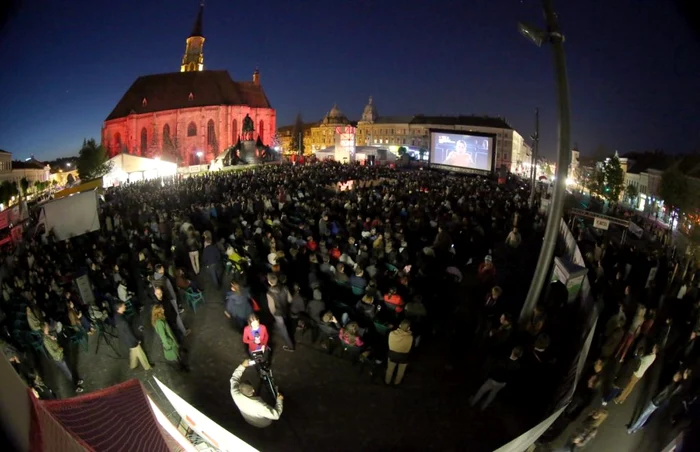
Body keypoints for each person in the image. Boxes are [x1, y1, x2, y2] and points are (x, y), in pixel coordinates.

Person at [627, 368, 691, 434]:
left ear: (678, 378)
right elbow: (682, 386)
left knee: (643, 415)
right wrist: (685, 378)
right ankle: (635, 428)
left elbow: (662, 393)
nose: (675, 374)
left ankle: (632, 428)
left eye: (677, 374)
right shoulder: (676, 388)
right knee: (646, 416)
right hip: (661, 403)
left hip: (656, 401)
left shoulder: (670, 385)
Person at [230, 359, 283, 428]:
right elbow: (276, 416)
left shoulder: (235, 393)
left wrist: (243, 366)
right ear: (253, 391)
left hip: (248, 419)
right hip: (263, 423)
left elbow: (234, 378)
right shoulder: (260, 406)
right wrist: (279, 400)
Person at [470, 346, 522, 410]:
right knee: (491, 396)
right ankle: (483, 407)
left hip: (493, 380)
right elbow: (512, 377)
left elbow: (494, 369)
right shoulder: (517, 366)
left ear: (513, 351)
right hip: (501, 384)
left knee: (481, 391)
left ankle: (472, 403)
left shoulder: (503, 360)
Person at [42, 322, 84, 393]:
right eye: (47, 327)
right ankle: (75, 387)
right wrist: (60, 349)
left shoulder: (47, 335)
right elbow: (53, 353)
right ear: (44, 329)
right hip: (59, 358)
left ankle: (76, 381)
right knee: (69, 374)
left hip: (61, 355)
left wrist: (53, 339)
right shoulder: (45, 341)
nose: (48, 327)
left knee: (70, 368)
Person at [114, 301, 152, 371]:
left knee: (133, 352)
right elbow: (129, 333)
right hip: (131, 341)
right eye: (123, 306)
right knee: (141, 354)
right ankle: (147, 366)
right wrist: (137, 340)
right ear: (119, 308)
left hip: (126, 340)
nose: (125, 306)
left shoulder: (117, 316)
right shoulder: (123, 322)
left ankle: (133, 365)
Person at [152, 304, 187, 372]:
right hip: (170, 343)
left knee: (176, 355)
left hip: (171, 341)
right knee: (175, 357)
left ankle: (181, 365)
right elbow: (163, 336)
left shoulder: (160, 319)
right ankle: (181, 367)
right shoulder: (159, 322)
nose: (163, 310)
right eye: (162, 309)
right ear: (158, 312)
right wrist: (171, 342)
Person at [266, 273, 295, 352]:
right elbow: (290, 300)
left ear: (269, 282)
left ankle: (290, 346)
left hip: (278, 314)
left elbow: (272, 308)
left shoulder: (269, 294)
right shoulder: (285, 287)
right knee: (284, 323)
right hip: (285, 310)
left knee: (284, 330)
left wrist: (274, 315)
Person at [385, 320, 413, 385]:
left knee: (390, 369)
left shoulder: (391, 333)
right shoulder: (410, 337)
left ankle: (387, 382)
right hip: (404, 357)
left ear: (400, 325)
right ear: (409, 328)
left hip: (392, 355)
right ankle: (397, 383)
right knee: (401, 372)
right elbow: (411, 348)